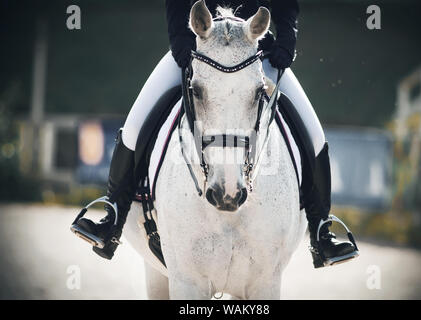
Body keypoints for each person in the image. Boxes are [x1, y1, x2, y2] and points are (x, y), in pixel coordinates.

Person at [74, 0, 357, 268]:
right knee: (135, 124)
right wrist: (181, 41)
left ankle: (321, 232)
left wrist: (286, 41)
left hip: (255, 48)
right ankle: (112, 219)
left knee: (315, 135)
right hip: (199, 45)